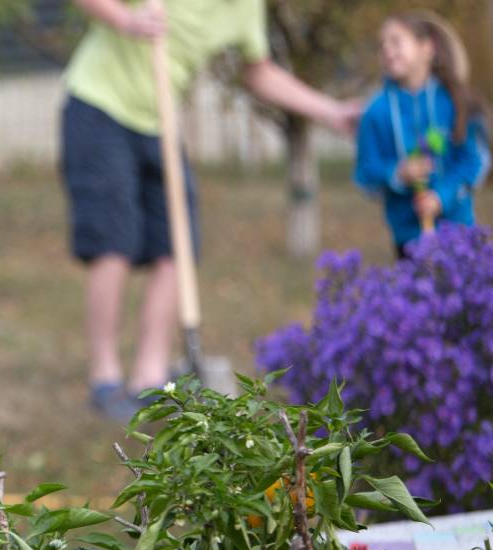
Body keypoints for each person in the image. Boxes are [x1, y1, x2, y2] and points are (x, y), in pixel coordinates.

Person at [62, 0, 361, 421]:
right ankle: (105, 380)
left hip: (159, 123)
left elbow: (259, 72)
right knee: (113, 241)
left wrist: (329, 112)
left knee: (177, 245)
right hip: (99, 105)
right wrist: (125, 19)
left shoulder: (245, 8)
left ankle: (149, 379)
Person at [354, 10, 490, 259]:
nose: (386, 50)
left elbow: (475, 161)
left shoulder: (457, 102)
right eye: (381, 44)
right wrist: (397, 174)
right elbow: (365, 174)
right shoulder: (374, 113)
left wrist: (441, 197)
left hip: (460, 233)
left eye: (395, 41)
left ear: (427, 48)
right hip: (409, 240)